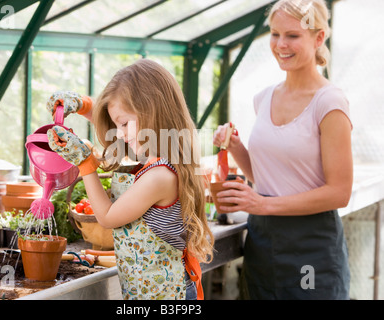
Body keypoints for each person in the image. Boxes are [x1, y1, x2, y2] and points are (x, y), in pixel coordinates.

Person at [213, 0, 352, 299]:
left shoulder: (329, 103)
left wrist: (262, 205)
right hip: (263, 242)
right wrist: (235, 145)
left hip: (311, 246)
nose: (280, 44)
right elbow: (266, 176)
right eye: (275, 34)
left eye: (292, 35)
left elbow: (339, 192)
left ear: (318, 38)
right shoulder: (263, 98)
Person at [46, 59, 214, 300]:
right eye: (117, 124)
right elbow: (115, 130)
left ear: (153, 111)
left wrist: (86, 164)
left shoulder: (160, 176)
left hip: (166, 295)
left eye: (124, 124)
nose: (121, 134)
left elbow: (107, 217)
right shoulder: (159, 153)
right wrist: (83, 105)